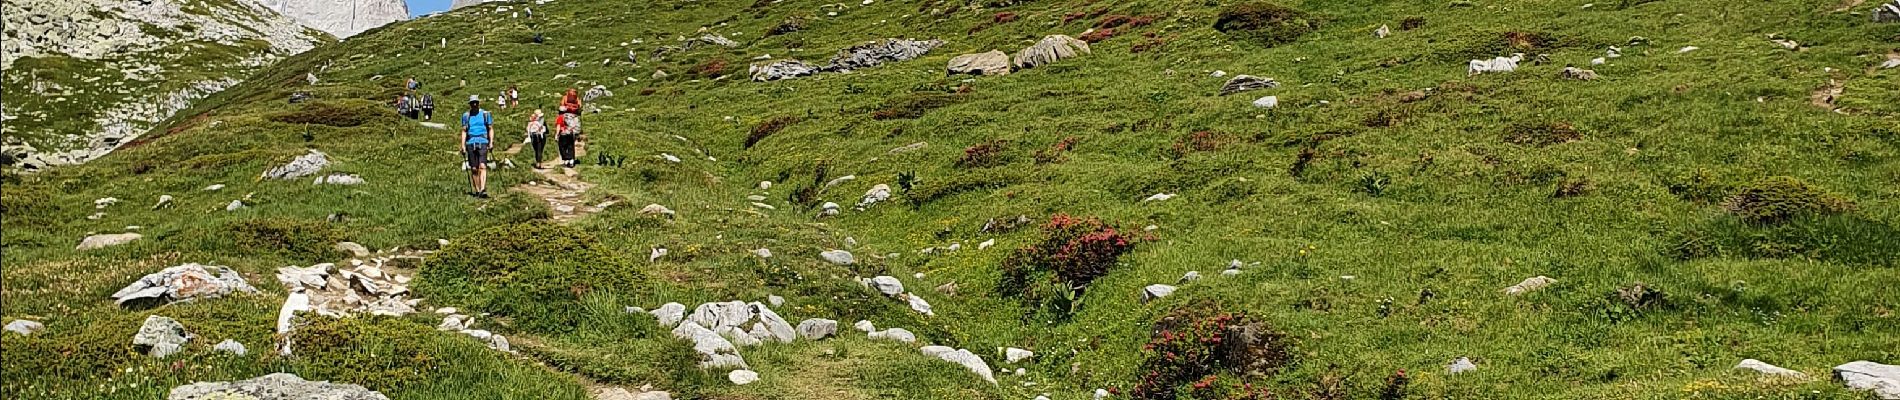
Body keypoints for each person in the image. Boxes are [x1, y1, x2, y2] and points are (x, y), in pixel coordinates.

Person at [460, 95, 495, 198]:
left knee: (483, 166)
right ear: (470, 104)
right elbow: (464, 131)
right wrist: (462, 145)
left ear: (478, 103)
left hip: (483, 141)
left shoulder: (485, 114)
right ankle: (478, 189)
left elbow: (490, 128)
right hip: (470, 142)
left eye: (476, 102)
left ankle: (483, 189)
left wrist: (491, 142)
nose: (474, 104)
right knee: (474, 168)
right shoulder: (466, 116)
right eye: (472, 103)